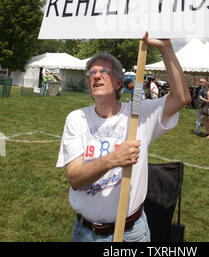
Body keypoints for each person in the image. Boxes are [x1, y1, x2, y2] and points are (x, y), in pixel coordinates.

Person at [56, 32, 191, 243]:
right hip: (85, 233)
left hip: (131, 233)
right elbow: (75, 179)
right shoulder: (77, 119)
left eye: (104, 71)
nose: (96, 75)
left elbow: (181, 98)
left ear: (119, 83)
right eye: (91, 72)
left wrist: (167, 49)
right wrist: (113, 159)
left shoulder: (137, 114)